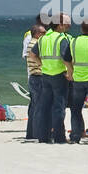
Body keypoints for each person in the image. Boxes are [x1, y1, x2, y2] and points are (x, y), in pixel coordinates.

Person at [33, 15, 71, 144]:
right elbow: (66, 58)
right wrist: (70, 72)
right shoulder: (61, 38)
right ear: (59, 25)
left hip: (46, 75)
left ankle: (43, 136)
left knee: (45, 107)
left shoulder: (43, 38)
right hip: (59, 75)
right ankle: (59, 137)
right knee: (58, 107)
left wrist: (41, 64)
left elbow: (32, 54)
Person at [23, 22, 45, 140]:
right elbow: (35, 57)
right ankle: (37, 133)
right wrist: (43, 65)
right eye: (43, 32)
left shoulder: (31, 43)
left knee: (34, 106)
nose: (45, 34)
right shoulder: (36, 44)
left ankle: (31, 133)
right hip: (38, 76)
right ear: (37, 34)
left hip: (32, 77)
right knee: (39, 107)